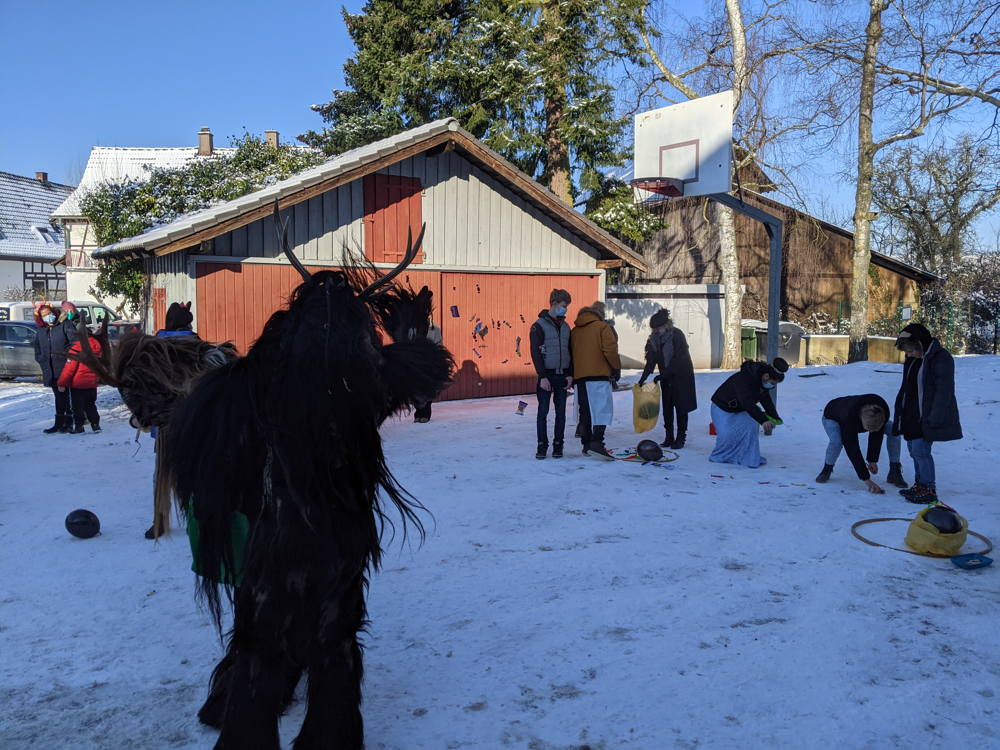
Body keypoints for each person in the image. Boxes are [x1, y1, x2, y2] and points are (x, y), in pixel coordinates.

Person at [147, 302, 200, 540]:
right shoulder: (197, 345)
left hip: (165, 418)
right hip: (193, 417)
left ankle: (159, 521)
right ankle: (196, 519)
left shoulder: (154, 346)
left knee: (163, 473)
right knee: (194, 471)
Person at [892, 323, 962, 503]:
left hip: (928, 415)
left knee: (921, 451)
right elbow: (907, 387)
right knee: (913, 450)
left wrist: (934, 417)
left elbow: (944, 391)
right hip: (912, 414)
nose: (908, 354)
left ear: (920, 343)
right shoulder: (914, 359)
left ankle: (929, 488)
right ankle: (920, 485)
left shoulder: (940, 357)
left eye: (909, 350)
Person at [709, 358, 788, 468]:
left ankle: (748, 457)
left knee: (751, 425)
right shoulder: (744, 379)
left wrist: (774, 417)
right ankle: (721, 456)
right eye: (772, 383)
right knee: (726, 436)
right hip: (721, 408)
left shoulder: (762, 382)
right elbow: (747, 402)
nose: (773, 386)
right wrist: (763, 420)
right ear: (766, 376)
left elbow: (766, 400)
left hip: (740, 409)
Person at [637, 309, 697, 449]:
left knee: (681, 408)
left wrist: (663, 375)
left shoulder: (677, 335)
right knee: (667, 407)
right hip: (666, 378)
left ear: (665, 325)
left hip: (681, 376)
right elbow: (651, 360)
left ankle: (681, 438)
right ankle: (669, 437)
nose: (655, 331)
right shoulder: (654, 339)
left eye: (657, 328)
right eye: (654, 329)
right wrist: (643, 378)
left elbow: (679, 359)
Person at [571, 300, 621, 459]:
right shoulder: (602, 327)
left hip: (580, 378)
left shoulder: (574, 331)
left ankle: (586, 446)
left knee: (585, 412)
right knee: (601, 411)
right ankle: (597, 443)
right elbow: (610, 350)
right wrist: (616, 368)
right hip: (599, 376)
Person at [530, 289, 573, 458]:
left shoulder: (566, 327)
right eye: (564, 306)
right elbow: (535, 352)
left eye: (567, 307)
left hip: (562, 375)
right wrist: (542, 376)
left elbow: (571, 351)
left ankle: (558, 445)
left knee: (561, 413)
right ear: (554, 304)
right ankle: (542, 446)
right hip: (546, 376)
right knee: (543, 412)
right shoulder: (538, 326)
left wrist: (570, 374)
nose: (566, 310)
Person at [815, 395, 890, 493]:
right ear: (861, 420)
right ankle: (827, 468)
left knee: (892, 430)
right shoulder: (849, 418)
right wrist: (866, 479)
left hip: (852, 413)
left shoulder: (882, 410)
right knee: (837, 442)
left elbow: (877, 434)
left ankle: (895, 470)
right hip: (832, 415)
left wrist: (872, 460)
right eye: (868, 429)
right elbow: (852, 448)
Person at [32, 302, 78, 433]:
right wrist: (41, 359)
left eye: (49, 314)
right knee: (58, 396)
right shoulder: (41, 330)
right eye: (44, 315)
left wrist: (68, 357)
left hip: (64, 366)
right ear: (41, 317)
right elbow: (37, 347)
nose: (48, 317)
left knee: (65, 395)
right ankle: (60, 423)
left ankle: (67, 423)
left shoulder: (64, 325)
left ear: (54, 312)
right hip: (50, 368)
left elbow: (74, 343)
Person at [57, 315, 103, 434]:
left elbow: (69, 369)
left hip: (78, 385)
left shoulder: (76, 349)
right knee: (91, 405)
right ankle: (95, 424)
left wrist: (61, 383)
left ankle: (79, 427)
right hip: (92, 384)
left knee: (77, 407)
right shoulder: (98, 347)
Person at [413, 322, 443, 423]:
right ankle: (418, 414)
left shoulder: (434, 329)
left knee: (428, 389)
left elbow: (439, 344)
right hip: (415, 361)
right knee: (416, 389)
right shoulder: (412, 328)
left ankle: (426, 414)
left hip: (429, 361)